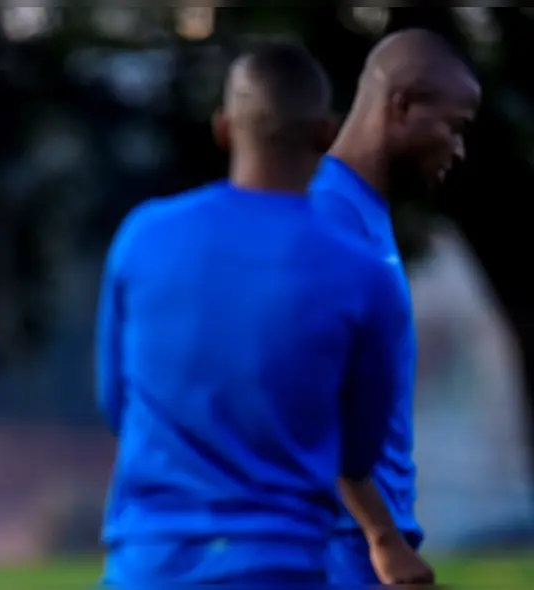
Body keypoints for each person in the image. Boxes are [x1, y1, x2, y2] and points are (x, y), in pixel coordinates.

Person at [96, 41, 404, 585]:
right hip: (280, 567)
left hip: (147, 565)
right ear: (326, 133)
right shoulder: (366, 276)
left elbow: (115, 401)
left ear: (223, 127)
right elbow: (358, 454)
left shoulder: (142, 236)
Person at [309, 28, 481, 585]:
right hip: (340, 546)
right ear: (402, 106)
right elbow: (314, 394)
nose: (457, 149)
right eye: (454, 128)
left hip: (365, 545)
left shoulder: (365, 212)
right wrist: (381, 537)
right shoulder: (328, 216)